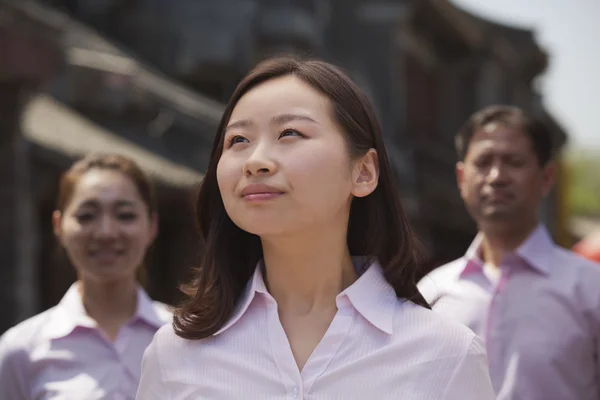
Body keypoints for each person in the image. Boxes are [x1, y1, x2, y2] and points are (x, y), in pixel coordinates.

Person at [135, 56, 495, 399]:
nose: (256, 161)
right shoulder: (174, 354)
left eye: (290, 133)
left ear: (363, 171)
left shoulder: (446, 355)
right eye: (238, 141)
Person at [418, 105, 600, 399]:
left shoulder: (590, 290)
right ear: (462, 179)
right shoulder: (431, 293)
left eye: (513, 162)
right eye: (484, 162)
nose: (496, 176)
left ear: (546, 178)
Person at [0, 154, 171, 399]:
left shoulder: (185, 337)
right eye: (87, 216)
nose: (106, 232)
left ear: (152, 226)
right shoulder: (21, 351)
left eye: (125, 215)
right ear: (58, 226)